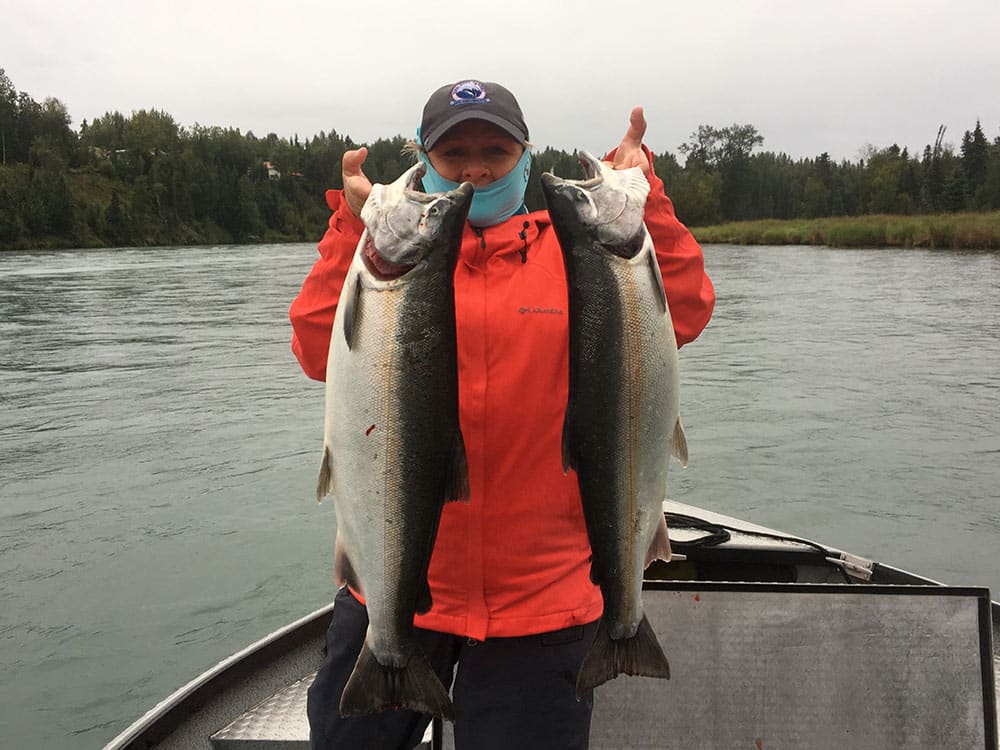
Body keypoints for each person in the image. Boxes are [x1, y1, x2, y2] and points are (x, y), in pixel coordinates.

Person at [289, 79, 715, 750]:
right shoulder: (391, 259)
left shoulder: (581, 252)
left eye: (496, 149)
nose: (477, 167)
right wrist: (354, 228)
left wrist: (647, 203)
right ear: (424, 158)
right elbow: (318, 351)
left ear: (524, 154)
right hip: (399, 582)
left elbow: (683, 312)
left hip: (543, 597)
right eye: (454, 153)